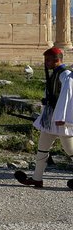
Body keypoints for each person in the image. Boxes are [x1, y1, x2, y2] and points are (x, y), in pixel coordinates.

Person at [15, 47, 73, 189]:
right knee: (42, 148)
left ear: (57, 60)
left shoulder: (65, 75)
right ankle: (37, 178)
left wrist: (63, 117)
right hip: (50, 117)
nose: (45, 63)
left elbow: (68, 97)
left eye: (48, 60)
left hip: (60, 119)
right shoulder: (55, 74)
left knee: (70, 150)